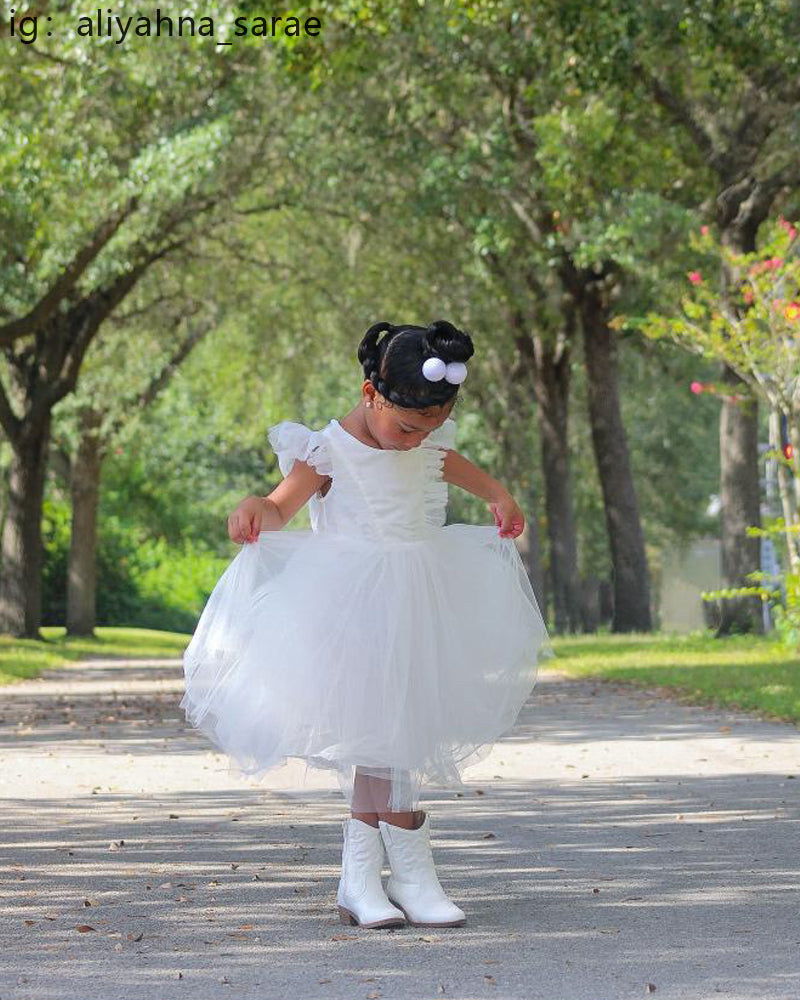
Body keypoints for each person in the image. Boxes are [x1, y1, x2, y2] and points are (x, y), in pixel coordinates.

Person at [179, 319, 555, 930]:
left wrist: (499, 497)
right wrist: (258, 508)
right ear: (369, 394)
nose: (418, 440)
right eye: (408, 426)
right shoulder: (330, 451)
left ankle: (365, 880)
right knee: (390, 739)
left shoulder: (427, 442)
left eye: (433, 426)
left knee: (390, 739)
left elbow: (459, 468)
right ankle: (410, 874)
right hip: (355, 611)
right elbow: (281, 505)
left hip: (423, 601)